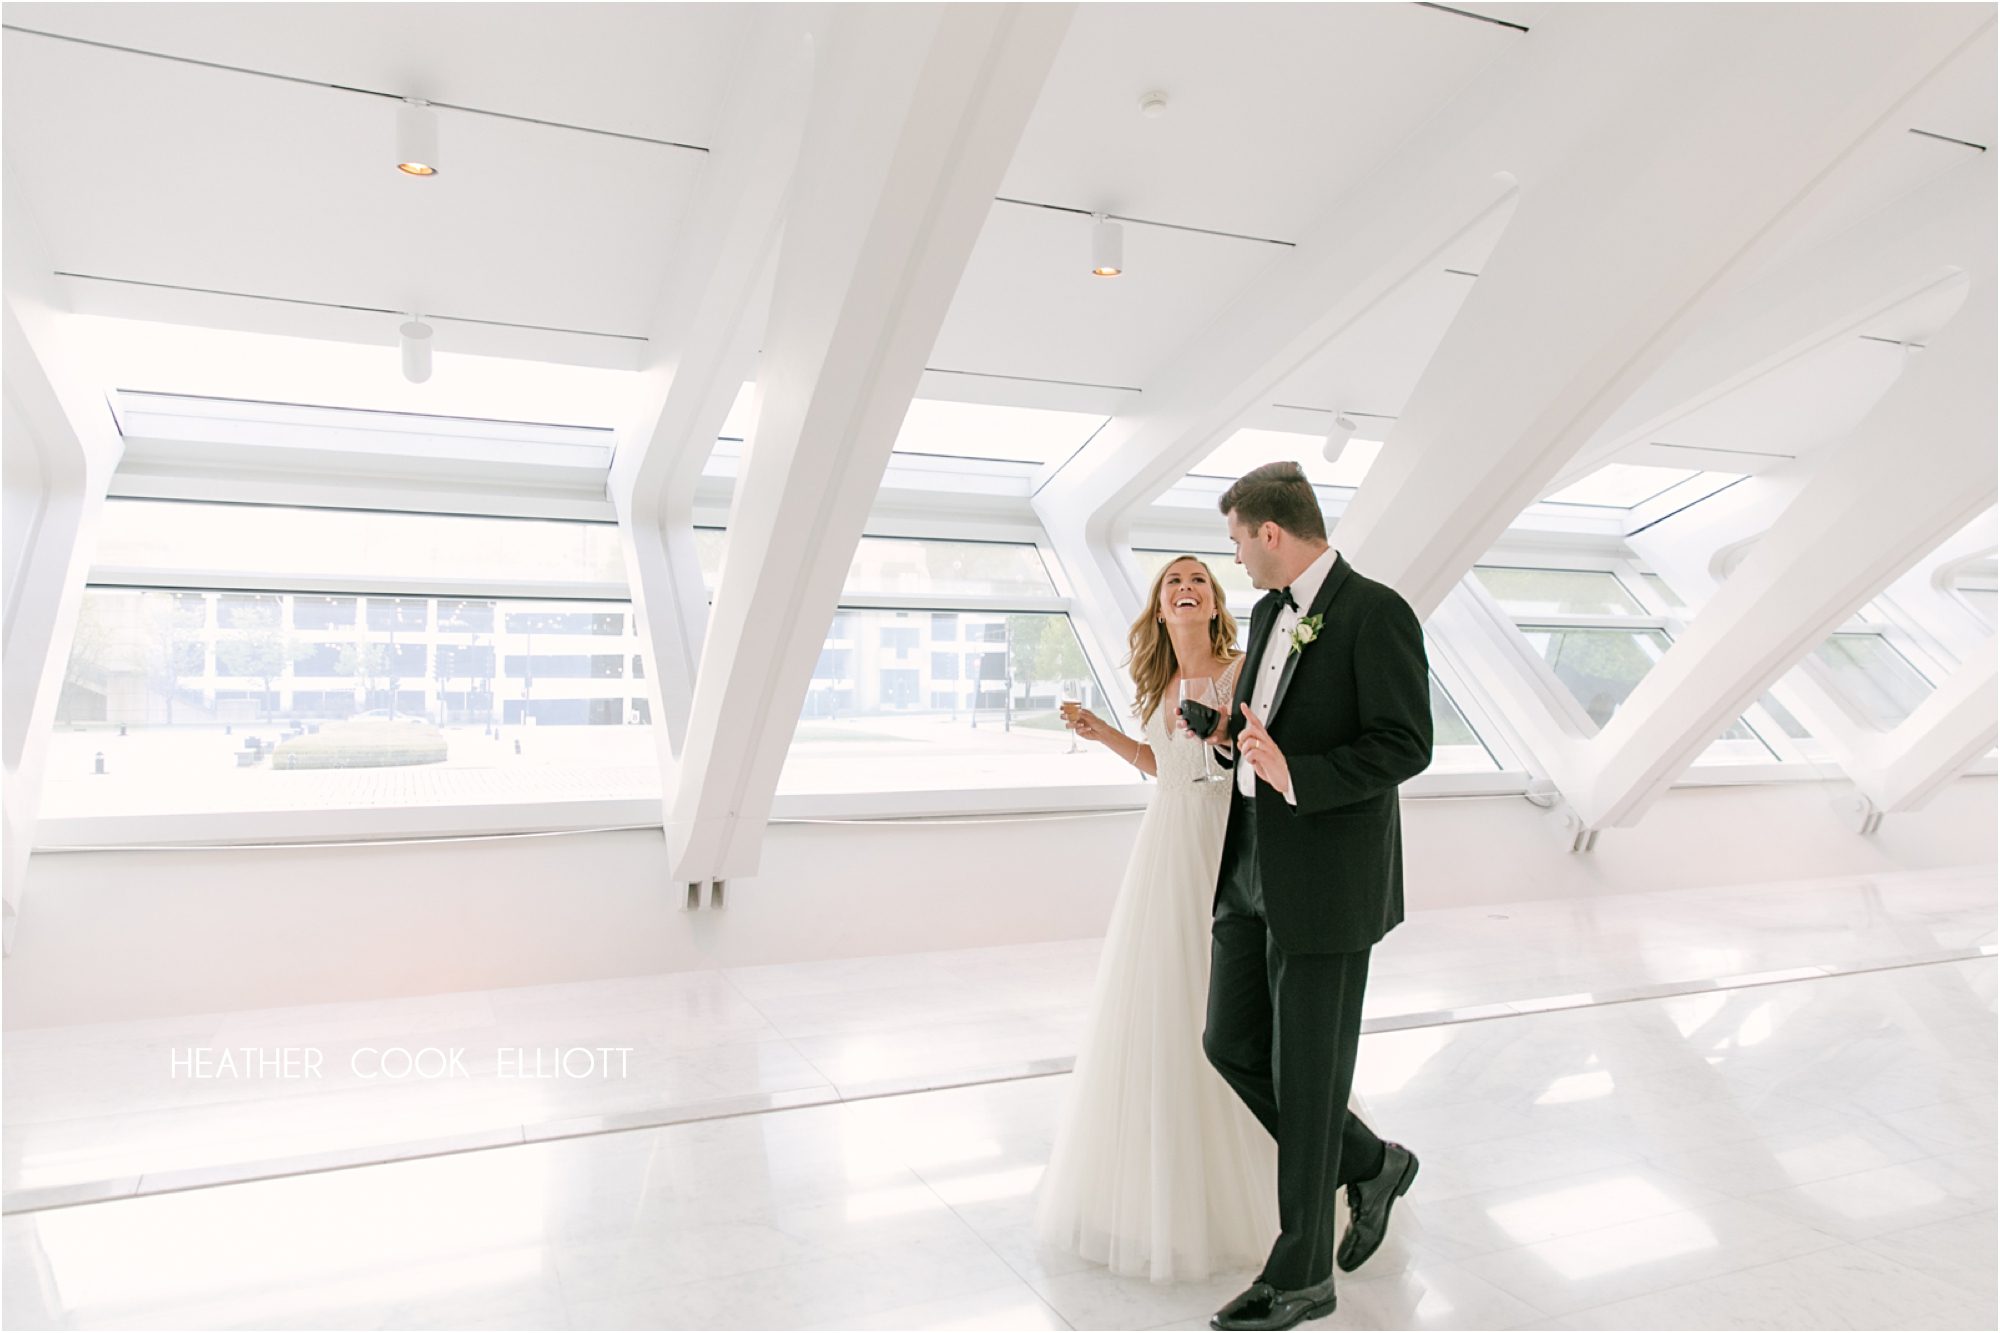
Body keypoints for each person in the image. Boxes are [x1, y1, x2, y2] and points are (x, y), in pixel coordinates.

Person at [1203, 461, 1433, 1332]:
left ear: (1271, 532)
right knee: (1229, 1043)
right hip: (1251, 867)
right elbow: (1270, 729)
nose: (1236, 558)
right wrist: (1234, 741)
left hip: (1331, 881)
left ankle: (1302, 1276)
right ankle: (1372, 1161)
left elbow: (1405, 743)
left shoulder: (1378, 612)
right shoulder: (1267, 613)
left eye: (1237, 539)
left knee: (1308, 1078)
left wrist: (1297, 772)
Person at [1034, 555, 1279, 1281]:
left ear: (1213, 601)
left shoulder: (1242, 669)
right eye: (1173, 581)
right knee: (1160, 1005)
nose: (1185, 587)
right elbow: (1160, 763)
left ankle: (1275, 1190)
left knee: (1231, 1005)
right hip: (1164, 849)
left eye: (1198, 578)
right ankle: (1161, 1199)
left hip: (1223, 843)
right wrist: (1103, 732)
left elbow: (1249, 756)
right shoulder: (1158, 681)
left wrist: (1224, 738)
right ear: (1159, 605)